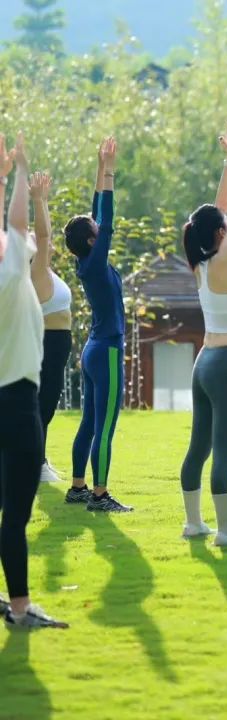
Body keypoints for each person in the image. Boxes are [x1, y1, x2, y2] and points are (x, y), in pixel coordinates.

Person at [178, 119, 227, 546]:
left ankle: (194, 523)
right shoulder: (224, 261)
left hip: (204, 362)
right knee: (224, 451)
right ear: (220, 233)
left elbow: (221, 208)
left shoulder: (201, 263)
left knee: (199, 448)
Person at [0, 132, 68, 629]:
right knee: (16, 518)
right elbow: (19, 224)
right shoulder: (11, 277)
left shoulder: (15, 276)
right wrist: (19, 172)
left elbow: (22, 230)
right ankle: (21, 608)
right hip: (18, 404)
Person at [63, 137, 132, 512]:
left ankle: (78, 488)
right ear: (92, 240)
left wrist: (101, 166)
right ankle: (100, 495)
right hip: (106, 351)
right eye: (95, 230)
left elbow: (96, 216)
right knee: (104, 427)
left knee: (89, 423)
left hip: (94, 349)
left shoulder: (85, 260)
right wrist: (110, 174)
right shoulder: (95, 257)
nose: (99, 227)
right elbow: (105, 218)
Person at [28, 171, 73, 485]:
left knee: (45, 404)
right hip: (49, 343)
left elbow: (45, 238)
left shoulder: (44, 273)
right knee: (43, 405)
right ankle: (35, 464)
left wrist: (42, 201)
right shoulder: (36, 272)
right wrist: (38, 201)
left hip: (53, 345)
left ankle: (38, 459)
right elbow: (44, 237)